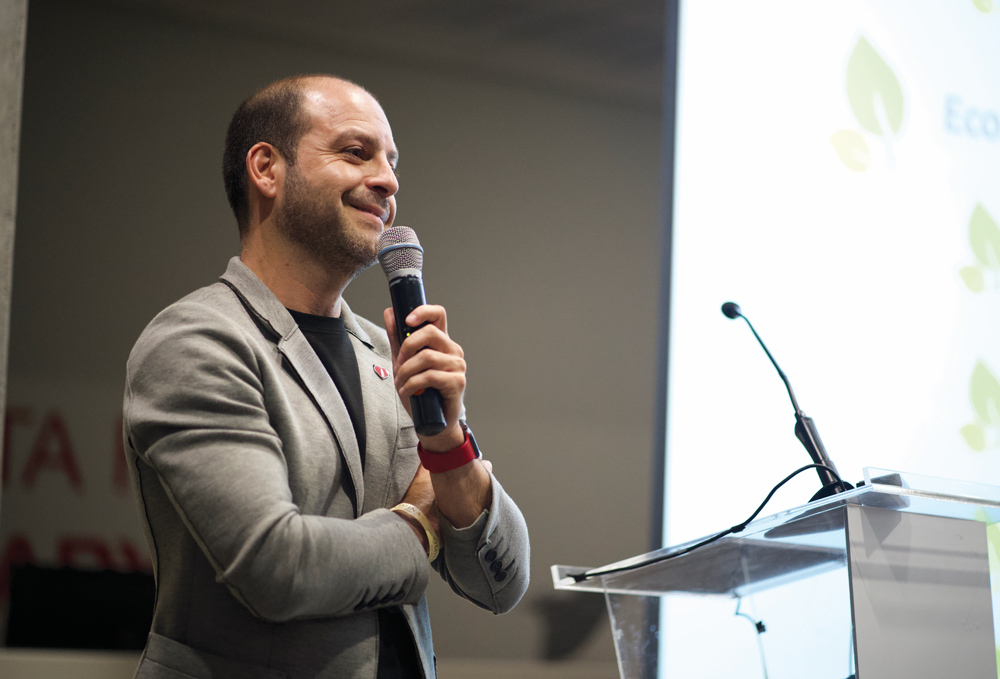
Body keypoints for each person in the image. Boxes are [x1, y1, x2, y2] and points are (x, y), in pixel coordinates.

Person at [122, 74, 530, 679]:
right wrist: (420, 523)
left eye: (392, 162)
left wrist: (448, 446)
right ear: (267, 169)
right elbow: (279, 569)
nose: (389, 181)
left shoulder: (391, 353)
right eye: (356, 152)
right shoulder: (196, 341)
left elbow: (501, 585)